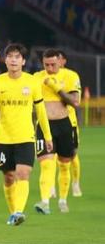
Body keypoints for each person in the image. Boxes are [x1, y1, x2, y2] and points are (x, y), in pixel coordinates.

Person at [0, 44, 52, 226]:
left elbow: (41, 111)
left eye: (17, 57)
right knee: (8, 177)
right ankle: (13, 213)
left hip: (26, 137)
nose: (13, 60)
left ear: (23, 61)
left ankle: (18, 211)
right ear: (5, 60)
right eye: (10, 57)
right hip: (4, 137)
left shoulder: (32, 82)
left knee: (23, 173)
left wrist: (47, 136)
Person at [33, 49, 80, 215]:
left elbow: (75, 102)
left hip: (64, 124)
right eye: (46, 65)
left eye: (53, 64)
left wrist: (57, 88)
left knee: (64, 164)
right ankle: (45, 202)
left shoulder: (70, 76)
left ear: (60, 61)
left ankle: (62, 200)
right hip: (44, 125)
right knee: (46, 164)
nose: (50, 68)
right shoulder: (36, 77)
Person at [58, 51, 82, 197]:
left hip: (69, 122)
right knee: (50, 157)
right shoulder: (44, 77)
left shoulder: (71, 76)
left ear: (64, 61)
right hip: (50, 122)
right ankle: (51, 188)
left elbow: (76, 100)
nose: (56, 61)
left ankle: (75, 183)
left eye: (59, 58)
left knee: (72, 155)